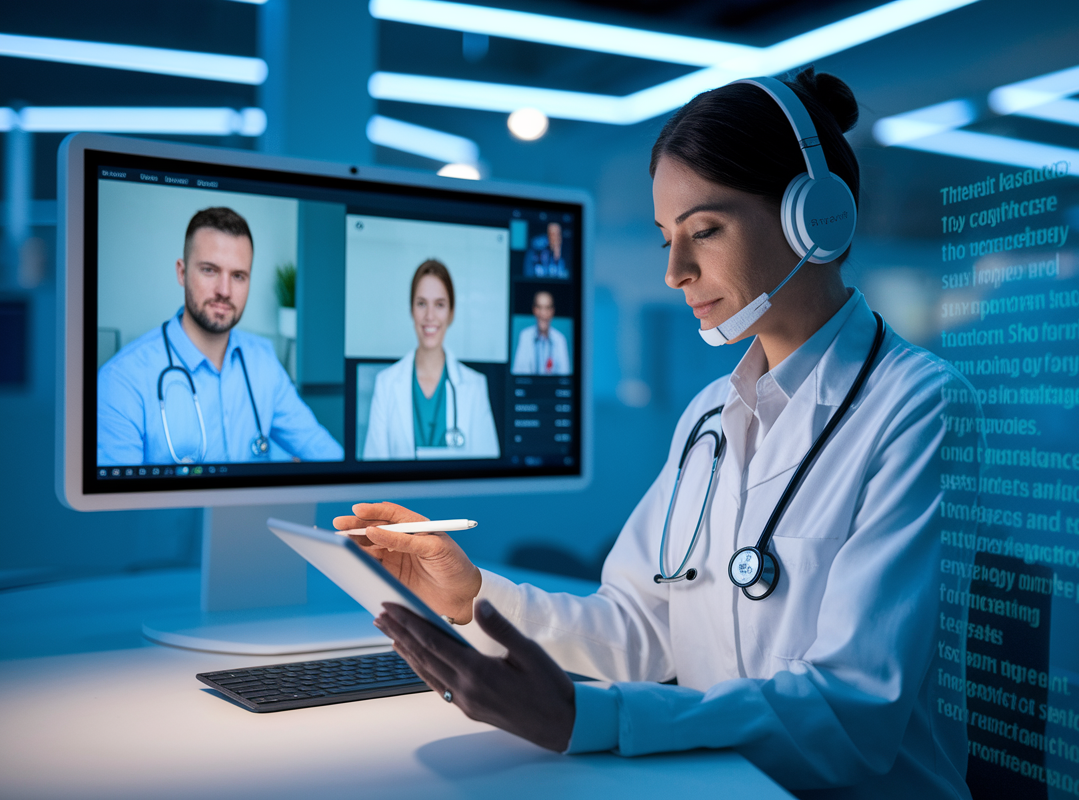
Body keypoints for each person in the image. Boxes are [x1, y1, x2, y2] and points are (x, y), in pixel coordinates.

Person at [339, 69, 981, 797]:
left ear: (814, 218)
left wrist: (592, 718)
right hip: (713, 783)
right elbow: (638, 630)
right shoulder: (709, 417)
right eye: (666, 238)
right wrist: (474, 593)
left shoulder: (918, 405)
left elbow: (850, 716)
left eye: (704, 230)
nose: (676, 271)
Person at [97, 206, 342, 465]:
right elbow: (117, 503)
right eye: (209, 270)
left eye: (238, 276)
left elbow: (327, 455)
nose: (224, 291)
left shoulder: (263, 361)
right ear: (182, 272)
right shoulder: (121, 380)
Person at [363, 259, 500, 460]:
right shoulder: (386, 384)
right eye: (421, 304)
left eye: (439, 305)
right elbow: (371, 472)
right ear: (411, 310)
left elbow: (488, 474)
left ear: (451, 313)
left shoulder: (474, 386)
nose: (429, 316)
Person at [511, 291, 571, 375]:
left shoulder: (560, 339)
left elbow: (564, 375)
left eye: (547, 308)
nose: (543, 313)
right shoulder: (525, 336)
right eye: (539, 307)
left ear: (552, 311)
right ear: (534, 310)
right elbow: (518, 372)